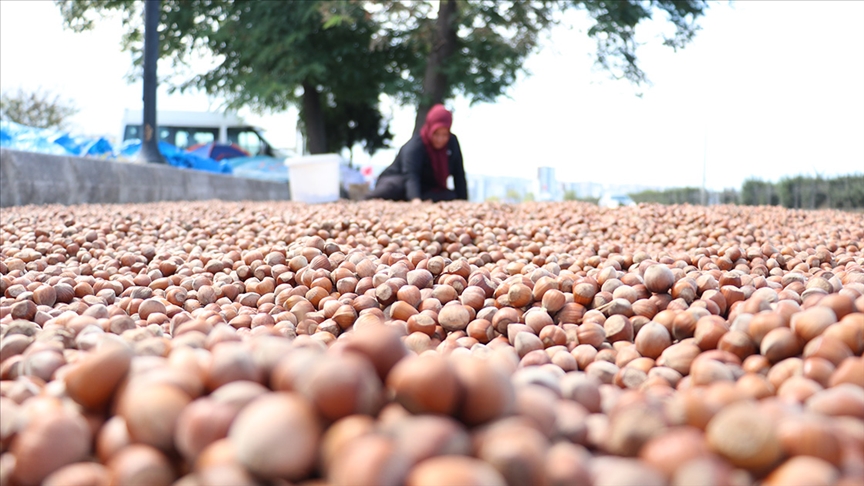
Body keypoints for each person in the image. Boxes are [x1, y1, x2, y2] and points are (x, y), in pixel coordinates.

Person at [365, 104, 467, 202]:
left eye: (444, 134)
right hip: (400, 181)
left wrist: (463, 201)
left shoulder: (452, 142)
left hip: (425, 187)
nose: (440, 139)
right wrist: (415, 200)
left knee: (451, 195)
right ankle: (369, 199)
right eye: (436, 134)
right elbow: (411, 176)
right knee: (396, 187)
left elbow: (459, 174)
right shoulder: (415, 146)